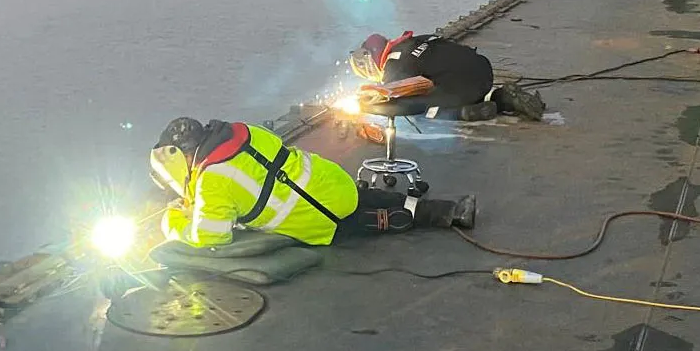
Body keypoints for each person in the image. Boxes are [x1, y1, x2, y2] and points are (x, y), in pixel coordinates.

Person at [150, 117, 476, 248]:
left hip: (320, 218)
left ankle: (411, 219)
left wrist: (173, 221)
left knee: (370, 221)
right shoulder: (243, 132)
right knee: (372, 197)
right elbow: (251, 177)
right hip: (331, 179)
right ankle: (450, 209)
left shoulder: (213, 181)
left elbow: (210, 238)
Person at [348, 31, 499, 121]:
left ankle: (462, 113)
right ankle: (499, 98)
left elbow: (390, 97)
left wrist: (365, 105)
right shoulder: (415, 40)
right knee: (438, 81)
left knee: (410, 109)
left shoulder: (394, 63)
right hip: (484, 72)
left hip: (463, 89)